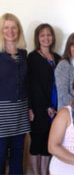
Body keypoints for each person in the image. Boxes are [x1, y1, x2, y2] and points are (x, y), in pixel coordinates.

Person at [28, 23, 61, 175]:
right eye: (42, 35)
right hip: (39, 107)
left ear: (53, 37)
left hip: (55, 107)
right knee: (37, 142)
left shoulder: (58, 58)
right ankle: (36, 173)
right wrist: (46, 106)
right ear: (37, 38)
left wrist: (54, 106)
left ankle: (44, 172)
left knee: (49, 141)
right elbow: (34, 85)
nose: (46, 38)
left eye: (49, 34)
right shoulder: (33, 57)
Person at [0, 13, 31, 174]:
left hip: (20, 112)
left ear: (18, 30)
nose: (10, 31)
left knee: (18, 156)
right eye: (6, 27)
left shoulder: (23, 54)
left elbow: (27, 84)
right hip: (2, 113)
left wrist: (30, 108)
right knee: (0, 156)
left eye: (13, 27)